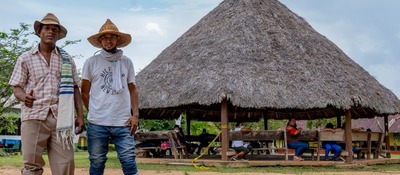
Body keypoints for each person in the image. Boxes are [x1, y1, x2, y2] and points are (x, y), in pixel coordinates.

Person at [9, 13, 85, 175]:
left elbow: (75, 88)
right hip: (34, 115)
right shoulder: (26, 58)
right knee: (31, 166)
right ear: (39, 32)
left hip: (61, 118)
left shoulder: (67, 59)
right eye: (47, 28)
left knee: (66, 164)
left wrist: (80, 116)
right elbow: (16, 87)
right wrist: (24, 97)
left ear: (58, 34)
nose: (51, 32)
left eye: (54, 29)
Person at [81, 19, 139, 175]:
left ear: (117, 39)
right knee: (97, 162)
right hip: (98, 122)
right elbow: (84, 92)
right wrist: (92, 110)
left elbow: (133, 89)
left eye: (112, 37)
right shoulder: (91, 62)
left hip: (123, 121)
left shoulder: (127, 62)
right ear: (100, 40)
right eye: (104, 37)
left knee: (129, 161)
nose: (108, 40)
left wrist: (135, 115)